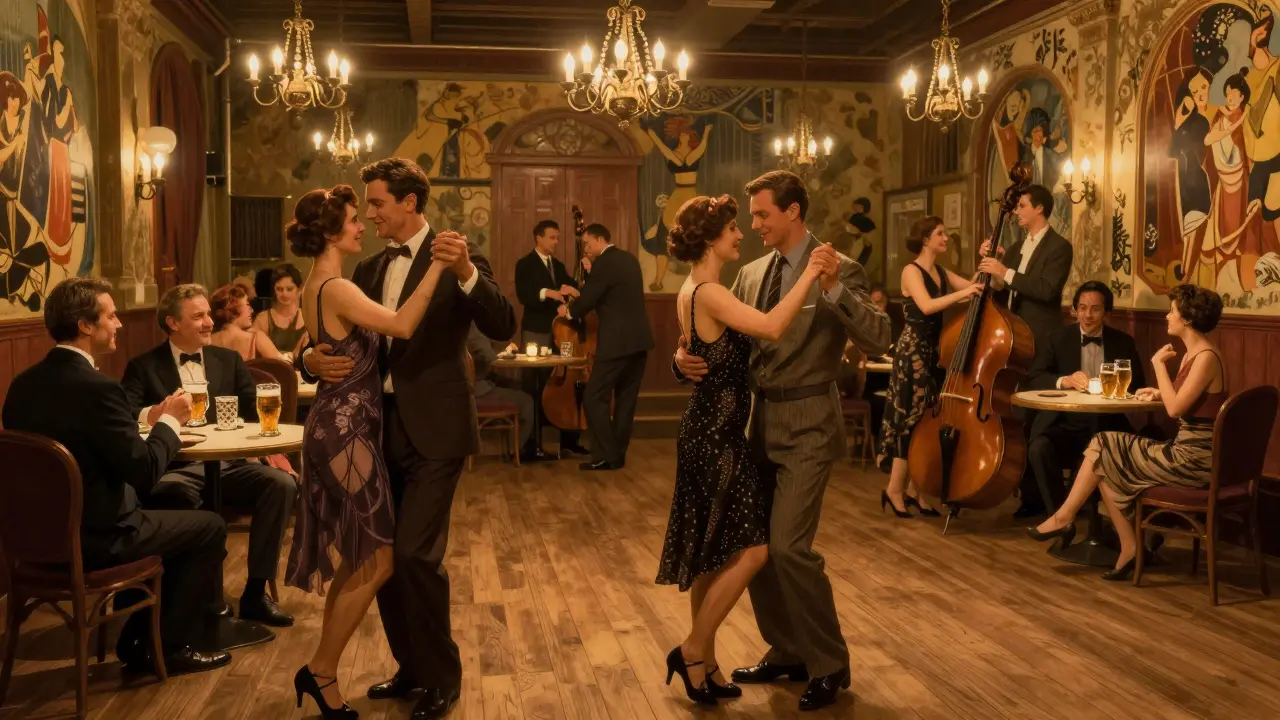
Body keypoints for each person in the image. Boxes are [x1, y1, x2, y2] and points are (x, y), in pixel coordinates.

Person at [299, 157, 516, 720]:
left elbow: (501, 324)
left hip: (438, 427)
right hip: (372, 429)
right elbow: (327, 331)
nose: (370, 214)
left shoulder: (457, 258)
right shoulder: (366, 270)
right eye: (366, 206)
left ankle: (443, 678)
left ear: (409, 203)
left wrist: (468, 271)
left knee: (418, 554)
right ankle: (411, 667)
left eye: (377, 203)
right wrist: (307, 357)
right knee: (382, 556)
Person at [673, 170, 890, 711]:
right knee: (756, 549)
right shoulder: (746, 275)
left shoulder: (842, 268)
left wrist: (835, 288)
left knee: (790, 547)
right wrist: (683, 363)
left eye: (764, 214)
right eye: (751, 218)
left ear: (793, 212)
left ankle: (829, 663)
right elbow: (721, 345)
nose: (755, 225)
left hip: (811, 425)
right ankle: (787, 648)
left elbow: (879, 335)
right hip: (752, 425)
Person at [656, 194, 835, 705]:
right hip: (716, 434)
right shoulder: (709, 291)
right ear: (712, 239)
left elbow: (695, 351)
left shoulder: (693, 288)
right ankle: (692, 649)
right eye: (734, 229)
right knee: (754, 550)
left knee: (711, 553)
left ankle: (705, 663)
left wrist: (678, 358)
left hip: (710, 429)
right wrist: (810, 275)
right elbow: (773, 327)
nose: (741, 235)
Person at [2, 277, 230, 675]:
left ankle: (140, 638)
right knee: (208, 526)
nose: (119, 324)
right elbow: (142, 471)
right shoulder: (99, 389)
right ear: (85, 326)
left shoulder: (22, 386)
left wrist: (152, 420)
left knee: (174, 501)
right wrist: (172, 425)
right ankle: (167, 646)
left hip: (33, 544)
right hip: (99, 538)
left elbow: (92, 448)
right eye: (110, 315)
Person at [282, 183, 447, 718]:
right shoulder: (336, 286)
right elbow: (400, 324)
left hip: (344, 428)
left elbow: (318, 345)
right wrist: (438, 269)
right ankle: (321, 670)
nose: (360, 226)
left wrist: (308, 359)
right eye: (354, 220)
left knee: (363, 559)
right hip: (345, 433)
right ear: (332, 233)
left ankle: (322, 672)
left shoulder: (324, 283)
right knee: (376, 561)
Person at [121, 284, 297, 629]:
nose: (208, 323)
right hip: (178, 468)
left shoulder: (227, 360)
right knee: (172, 494)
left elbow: (250, 410)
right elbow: (127, 412)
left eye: (207, 315)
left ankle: (256, 592)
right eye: (198, 316)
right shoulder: (144, 365)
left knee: (280, 485)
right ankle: (192, 598)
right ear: (172, 323)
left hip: (228, 465)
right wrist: (156, 413)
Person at [1028, 284, 1226, 581]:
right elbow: (1188, 400)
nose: (1167, 316)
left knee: (1102, 446)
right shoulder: (1195, 353)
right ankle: (1130, 545)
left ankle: (1065, 516)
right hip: (1187, 450)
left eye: (1172, 311)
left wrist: (1158, 366)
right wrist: (1158, 393)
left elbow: (1174, 411)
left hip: (1193, 459)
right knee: (1104, 459)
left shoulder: (1206, 357)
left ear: (1186, 317)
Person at [878, 217, 982, 517]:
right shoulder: (911, 271)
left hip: (934, 352)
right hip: (912, 352)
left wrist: (989, 261)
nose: (945, 238)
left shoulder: (940, 271)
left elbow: (976, 286)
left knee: (926, 421)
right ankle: (894, 490)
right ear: (925, 239)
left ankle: (915, 490)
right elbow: (926, 306)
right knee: (909, 420)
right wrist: (965, 293)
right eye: (940, 233)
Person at [1015, 281, 1146, 518]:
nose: (1087, 314)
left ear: (1107, 312)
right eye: (1082, 307)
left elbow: (1138, 385)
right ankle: (1060, 515)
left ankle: (1087, 511)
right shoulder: (1057, 338)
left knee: (1105, 445)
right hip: (1064, 421)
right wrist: (1064, 380)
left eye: (1095, 309)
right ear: (1074, 309)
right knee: (1039, 448)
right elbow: (1035, 376)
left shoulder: (1123, 342)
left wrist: (1116, 387)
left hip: (1107, 423)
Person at [557, 223, 654, 471]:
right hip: (639, 341)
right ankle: (617, 455)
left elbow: (586, 301)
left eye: (587, 244)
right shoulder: (629, 259)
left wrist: (567, 310)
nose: (585, 249)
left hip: (617, 343)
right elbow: (611, 295)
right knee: (625, 401)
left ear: (601, 240)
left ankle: (603, 456)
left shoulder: (604, 263)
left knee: (593, 397)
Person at [512, 219, 587, 458]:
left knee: (566, 383)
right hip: (537, 330)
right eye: (552, 237)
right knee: (535, 384)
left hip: (562, 332)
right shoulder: (524, 264)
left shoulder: (558, 264)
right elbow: (525, 296)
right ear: (539, 238)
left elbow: (573, 287)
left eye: (557, 237)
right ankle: (531, 443)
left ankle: (569, 440)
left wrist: (580, 279)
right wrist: (552, 293)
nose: (556, 241)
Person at [978, 183, 1073, 351]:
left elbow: (1046, 289)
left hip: (1041, 336)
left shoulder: (1060, 247)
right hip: (1011, 331)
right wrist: (992, 263)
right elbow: (1001, 287)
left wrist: (1003, 270)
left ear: (1039, 209)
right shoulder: (1015, 248)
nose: (1016, 212)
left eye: (1022, 206)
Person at [466, 324, 538, 459]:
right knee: (527, 401)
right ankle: (514, 450)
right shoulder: (472, 330)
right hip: (478, 391)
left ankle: (514, 446)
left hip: (463, 390)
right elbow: (490, 356)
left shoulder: (453, 327)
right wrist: (507, 350)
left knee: (512, 385)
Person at [211, 283, 281, 362]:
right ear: (233, 309)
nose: (252, 310)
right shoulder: (255, 339)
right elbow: (283, 370)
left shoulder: (208, 342)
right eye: (247, 304)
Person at [252, 264, 308, 358]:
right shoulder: (263, 319)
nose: (284, 294)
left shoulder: (307, 318)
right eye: (279, 289)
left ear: (299, 289)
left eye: (289, 289)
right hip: (270, 371)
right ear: (274, 290)